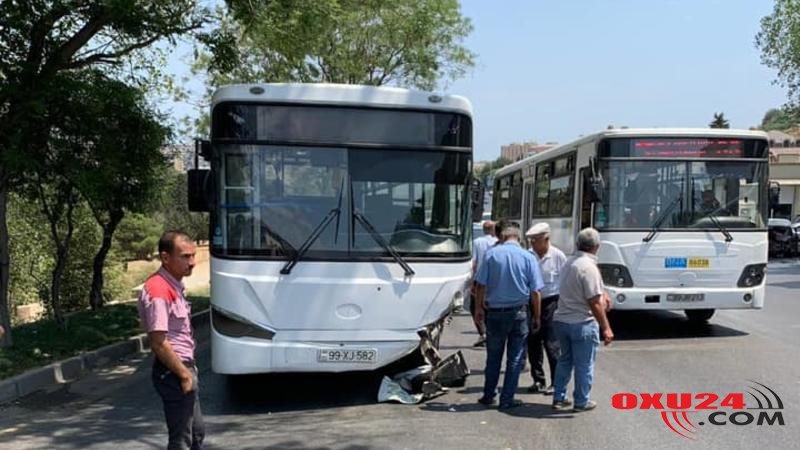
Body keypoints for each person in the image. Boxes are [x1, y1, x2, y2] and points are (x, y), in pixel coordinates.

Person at [138, 231, 204, 450]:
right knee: (182, 440)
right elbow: (158, 342)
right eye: (185, 256)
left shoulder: (173, 284)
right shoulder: (158, 289)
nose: (192, 262)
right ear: (165, 258)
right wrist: (184, 375)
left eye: (193, 255)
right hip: (174, 371)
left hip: (182, 368)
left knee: (195, 434)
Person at [474, 221, 543, 410]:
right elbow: (535, 291)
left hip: (495, 313)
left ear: (502, 237)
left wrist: (479, 309)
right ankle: (507, 399)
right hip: (519, 313)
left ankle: (489, 395)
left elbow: (480, 285)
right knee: (515, 358)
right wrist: (537, 316)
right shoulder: (528, 257)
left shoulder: (491, 255)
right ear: (518, 238)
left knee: (493, 356)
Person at [551, 228, 613, 413]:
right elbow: (594, 302)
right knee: (584, 364)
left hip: (562, 320)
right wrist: (606, 327)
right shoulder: (588, 267)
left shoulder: (569, 262)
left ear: (578, 244)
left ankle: (559, 397)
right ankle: (581, 401)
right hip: (581, 322)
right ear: (597, 247)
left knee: (565, 361)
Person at [524, 222, 567, 395]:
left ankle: (556, 382)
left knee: (552, 344)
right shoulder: (527, 256)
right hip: (531, 302)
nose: (533, 243)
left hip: (551, 302)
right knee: (533, 342)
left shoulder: (558, 256)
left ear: (546, 239)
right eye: (531, 240)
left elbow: (564, 283)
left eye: (536, 240)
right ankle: (538, 380)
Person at [470, 220, 497, 347]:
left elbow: (474, 263)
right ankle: (491, 333)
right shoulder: (497, 242)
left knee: (475, 306)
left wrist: (471, 281)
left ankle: (483, 333)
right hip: (494, 279)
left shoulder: (477, 242)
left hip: (480, 279)